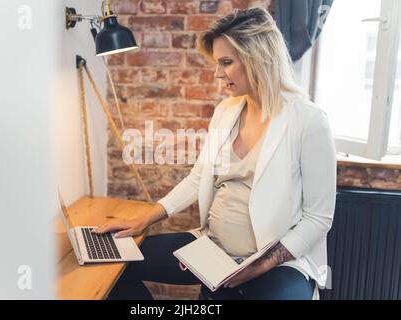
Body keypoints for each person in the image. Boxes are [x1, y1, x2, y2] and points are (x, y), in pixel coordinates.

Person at [92, 7, 336, 300]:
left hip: (277, 262)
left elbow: (318, 218)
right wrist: (146, 218)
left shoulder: (309, 121)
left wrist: (261, 264)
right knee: (117, 266)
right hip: (211, 249)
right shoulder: (226, 111)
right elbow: (198, 179)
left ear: (258, 58)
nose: (217, 73)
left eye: (226, 62)